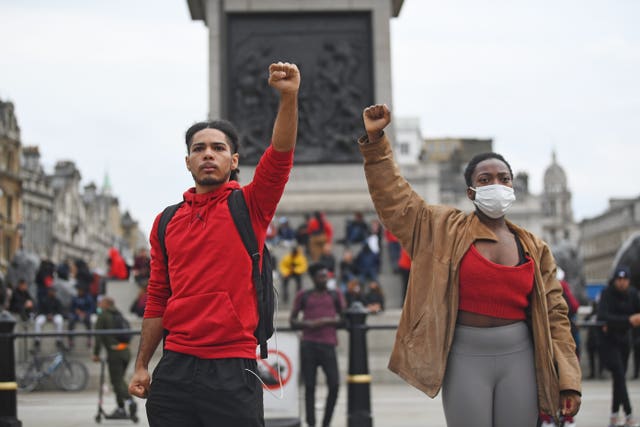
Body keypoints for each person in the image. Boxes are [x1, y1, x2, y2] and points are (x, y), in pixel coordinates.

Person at [357, 104, 581, 427]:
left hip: (519, 357)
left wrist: (568, 378)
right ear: (471, 191)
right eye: (486, 179)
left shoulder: (535, 248)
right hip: (465, 357)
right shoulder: (442, 229)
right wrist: (376, 140)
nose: (497, 184)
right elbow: (395, 201)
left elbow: (557, 316)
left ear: (513, 188)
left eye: (504, 179)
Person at [128, 61, 300, 427]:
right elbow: (158, 295)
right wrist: (143, 364)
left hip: (232, 367)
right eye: (199, 148)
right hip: (174, 365)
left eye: (218, 148)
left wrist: (288, 97)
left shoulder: (250, 205)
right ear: (188, 161)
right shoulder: (166, 221)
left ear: (233, 161)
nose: (208, 153)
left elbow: (281, 155)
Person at [289, 263, 345, 427]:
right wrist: (309, 324)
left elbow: (344, 320)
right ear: (313, 278)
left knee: (334, 385)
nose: (324, 279)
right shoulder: (304, 296)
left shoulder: (335, 295)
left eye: (325, 276)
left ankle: (326, 422)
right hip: (309, 345)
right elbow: (293, 321)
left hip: (328, 345)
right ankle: (311, 423)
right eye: (321, 276)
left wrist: (327, 321)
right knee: (310, 387)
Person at [597, 266, 640, 427]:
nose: (622, 283)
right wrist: (628, 320)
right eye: (619, 279)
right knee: (620, 375)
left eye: (625, 280)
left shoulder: (633, 294)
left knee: (618, 379)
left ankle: (614, 415)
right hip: (609, 342)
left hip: (624, 341)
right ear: (615, 280)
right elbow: (602, 316)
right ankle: (628, 414)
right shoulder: (607, 293)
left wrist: (619, 322)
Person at [92, 296, 137, 419]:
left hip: (115, 353)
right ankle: (121, 408)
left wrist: (96, 354)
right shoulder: (119, 314)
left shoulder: (103, 316)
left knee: (116, 382)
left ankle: (129, 402)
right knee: (119, 380)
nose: (99, 305)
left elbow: (98, 336)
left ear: (106, 304)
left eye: (101, 302)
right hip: (125, 351)